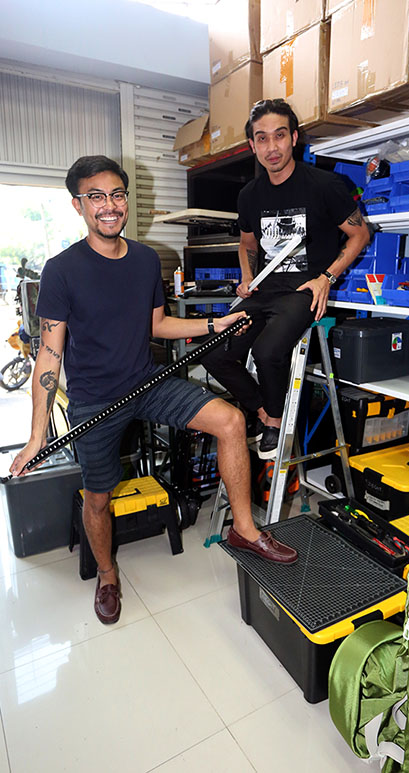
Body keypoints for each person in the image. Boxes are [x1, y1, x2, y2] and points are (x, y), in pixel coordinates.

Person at [10, 155, 297, 626]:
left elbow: (158, 324)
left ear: (127, 201)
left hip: (147, 383)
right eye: (96, 197)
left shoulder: (146, 259)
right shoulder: (61, 270)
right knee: (98, 498)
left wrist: (212, 322)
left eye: (117, 195)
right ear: (78, 205)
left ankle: (245, 530)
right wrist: (37, 435)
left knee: (230, 420)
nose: (109, 205)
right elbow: (49, 354)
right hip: (96, 400)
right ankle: (107, 574)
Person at [202, 99, 371, 459]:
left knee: (267, 352)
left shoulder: (326, 185)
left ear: (293, 138)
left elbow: (360, 235)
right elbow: (247, 242)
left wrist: (327, 277)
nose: (271, 147)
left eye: (279, 136)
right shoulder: (249, 195)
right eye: (261, 139)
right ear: (252, 146)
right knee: (213, 354)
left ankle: (274, 422)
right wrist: (246, 277)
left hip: (304, 291)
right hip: (263, 292)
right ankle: (264, 410)